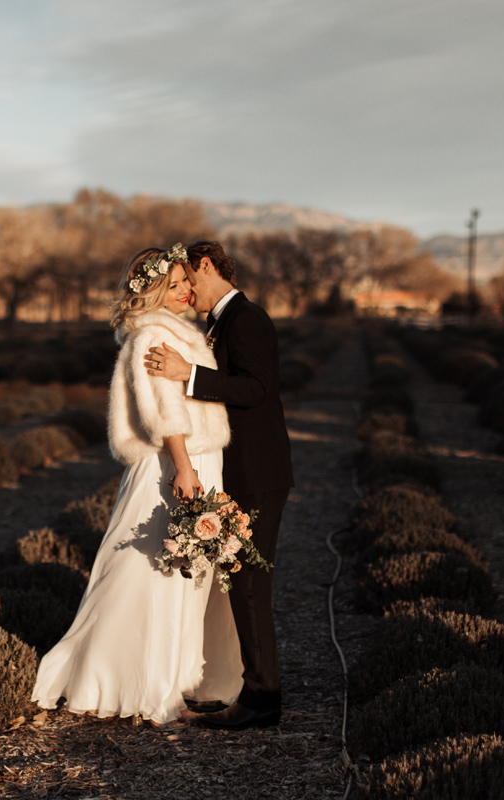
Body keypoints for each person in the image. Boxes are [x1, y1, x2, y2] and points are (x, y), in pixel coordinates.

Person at [31, 245, 243, 727]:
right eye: (175, 285)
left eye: (187, 281)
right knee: (155, 570)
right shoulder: (151, 336)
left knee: (184, 570)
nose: (188, 290)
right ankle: (141, 682)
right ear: (151, 292)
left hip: (196, 460)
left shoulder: (176, 332)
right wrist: (186, 469)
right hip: (173, 464)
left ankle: (179, 676)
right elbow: (165, 413)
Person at [145, 240, 293, 730]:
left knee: (251, 587)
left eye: (190, 278)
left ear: (207, 266)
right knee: (241, 585)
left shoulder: (247, 319)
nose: (187, 289)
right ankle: (249, 690)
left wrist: (189, 374)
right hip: (243, 471)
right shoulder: (221, 321)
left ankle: (262, 700)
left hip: (258, 472)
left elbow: (255, 388)